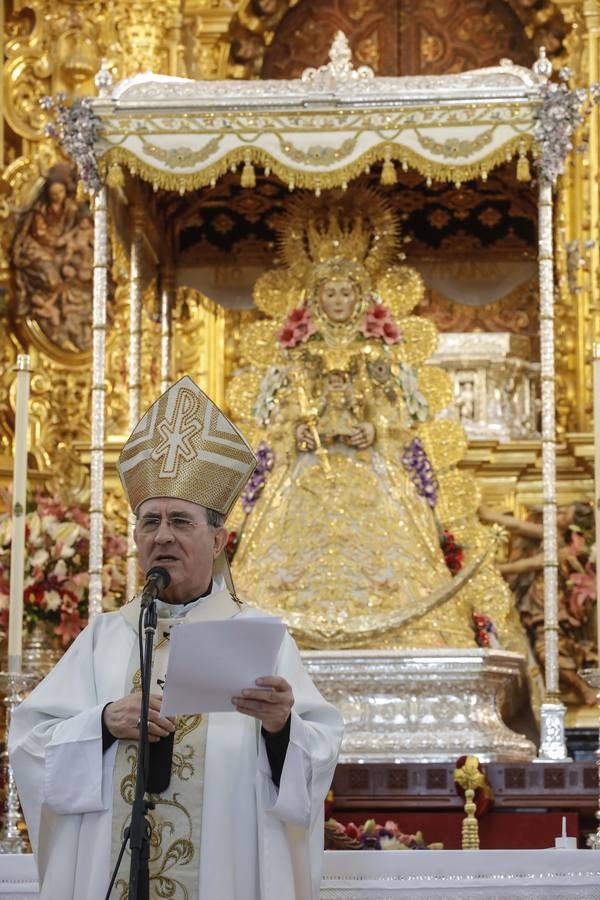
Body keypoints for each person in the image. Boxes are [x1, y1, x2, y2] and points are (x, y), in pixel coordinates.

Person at [9, 376, 344, 900]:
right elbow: (30, 744)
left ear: (218, 540)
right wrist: (100, 723)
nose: (161, 535)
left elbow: (317, 754)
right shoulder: (105, 638)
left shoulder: (259, 638)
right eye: (150, 522)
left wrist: (281, 728)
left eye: (180, 521)